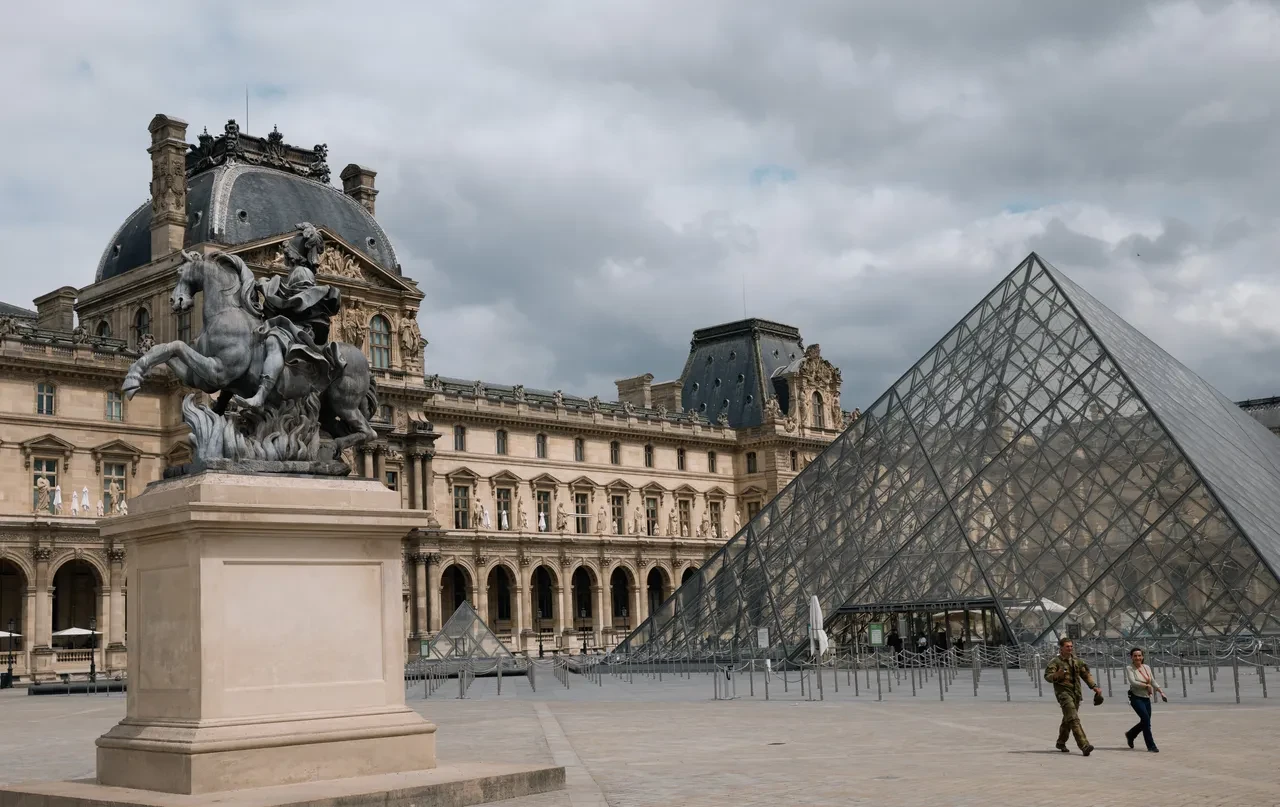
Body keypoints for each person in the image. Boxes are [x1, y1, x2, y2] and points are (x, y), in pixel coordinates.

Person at [1044, 637, 1102, 755]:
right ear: (1061, 648)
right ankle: (1084, 745)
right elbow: (1048, 677)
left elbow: (1086, 675)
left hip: (1076, 694)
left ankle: (1061, 742)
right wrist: (1057, 675)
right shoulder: (1055, 662)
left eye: (1071, 646)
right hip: (1063, 694)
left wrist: (1094, 687)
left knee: (1068, 719)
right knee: (1074, 719)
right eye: (1067, 646)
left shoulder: (1077, 661)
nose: (1070, 648)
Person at [1124, 647, 1166, 752]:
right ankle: (1151, 746)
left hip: (1146, 698)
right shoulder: (1130, 668)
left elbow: (1152, 681)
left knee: (1145, 721)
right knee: (1146, 721)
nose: (1137, 658)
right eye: (1135, 656)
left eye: (1139, 655)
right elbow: (1133, 682)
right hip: (1136, 698)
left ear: (1142, 657)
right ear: (1131, 657)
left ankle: (1131, 734)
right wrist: (1146, 686)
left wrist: (1161, 691)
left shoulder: (1146, 667)